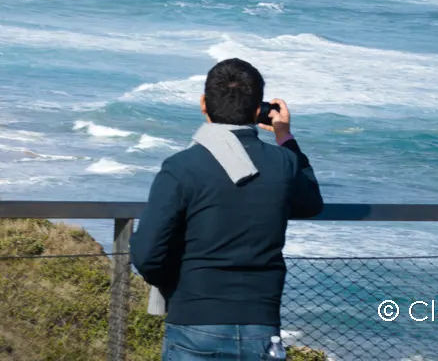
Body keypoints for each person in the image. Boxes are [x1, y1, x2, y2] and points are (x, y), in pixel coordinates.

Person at [130, 56, 323, 361]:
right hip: (261, 321)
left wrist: (179, 284)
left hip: (194, 318)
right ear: (257, 109)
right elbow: (311, 203)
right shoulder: (283, 163)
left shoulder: (182, 167)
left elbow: (146, 253)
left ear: (204, 104)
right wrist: (284, 136)